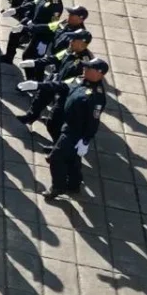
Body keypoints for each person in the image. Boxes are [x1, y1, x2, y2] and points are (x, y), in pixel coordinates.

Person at [43, 57, 109, 200]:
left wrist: (85, 140)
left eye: (88, 68)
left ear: (99, 73)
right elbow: (65, 86)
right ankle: (74, 184)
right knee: (72, 159)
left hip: (75, 133)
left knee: (55, 158)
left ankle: (58, 187)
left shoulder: (96, 97)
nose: (84, 69)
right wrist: (40, 85)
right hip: (67, 124)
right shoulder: (81, 80)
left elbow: (93, 121)